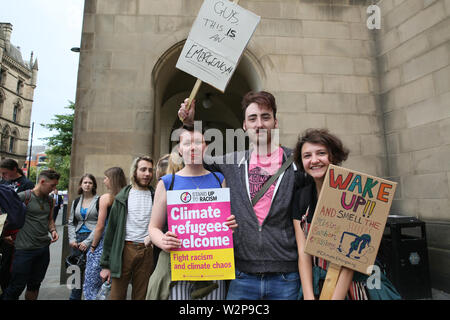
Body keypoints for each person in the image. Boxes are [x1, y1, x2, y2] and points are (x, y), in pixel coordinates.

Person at [178, 91, 307, 300]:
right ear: (245, 125)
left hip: (286, 276)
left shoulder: (297, 162)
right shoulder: (231, 161)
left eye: (266, 117)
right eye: (253, 118)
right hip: (241, 275)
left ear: (275, 122)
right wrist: (190, 124)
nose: (259, 124)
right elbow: (195, 158)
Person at [146, 125, 237, 300]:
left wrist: (230, 226)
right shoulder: (167, 182)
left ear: (206, 147)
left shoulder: (219, 179)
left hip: (213, 267)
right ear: (180, 150)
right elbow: (153, 227)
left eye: (198, 142)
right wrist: (162, 241)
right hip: (178, 266)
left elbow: (224, 222)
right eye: (187, 143)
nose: (193, 147)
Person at [100, 156, 155, 300]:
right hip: (124, 250)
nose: (147, 173)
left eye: (150, 170)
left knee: (141, 296)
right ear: (134, 172)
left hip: (147, 251)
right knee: (116, 295)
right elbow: (110, 232)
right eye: (143, 169)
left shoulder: (155, 195)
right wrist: (106, 265)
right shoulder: (122, 197)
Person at [1, 169, 60, 300]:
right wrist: (4, 235)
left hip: (43, 249)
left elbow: (49, 219)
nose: (54, 188)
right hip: (24, 250)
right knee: (16, 286)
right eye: (52, 185)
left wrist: (53, 230)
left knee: (34, 285)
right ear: (42, 181)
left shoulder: (50, 200)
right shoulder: (23, 196)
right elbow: (4, 217)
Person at [83, 167, 127, 300]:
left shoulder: (106, 198)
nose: (104, 180)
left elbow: (100, 226)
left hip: (103, 245)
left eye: (106, 178)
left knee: (91, 286)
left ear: (112, 180)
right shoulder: (126, 197)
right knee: (115, 287)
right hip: (120, 245)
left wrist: (93, 247)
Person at [0, 159, 35, 295]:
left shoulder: (27, 184)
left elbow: (24, 209)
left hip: (17, 231)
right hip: (3, 229)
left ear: (14, 169)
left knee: (10, 267)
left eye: (5, 173)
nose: (3, 176)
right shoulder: (2, 183)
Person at [67, 173, 100, 300]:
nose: (87, 185)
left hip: (92, 240)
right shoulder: (76, 202)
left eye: (90, 183)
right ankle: (73, 297)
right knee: (75, 272)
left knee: (91, 274)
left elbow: (99, 224)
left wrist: (87, 242)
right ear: (81, 184)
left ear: (93, 186)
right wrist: (72, 239)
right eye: (85, 182)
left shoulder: (99, 201)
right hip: (77, 240)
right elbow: (70, 222)